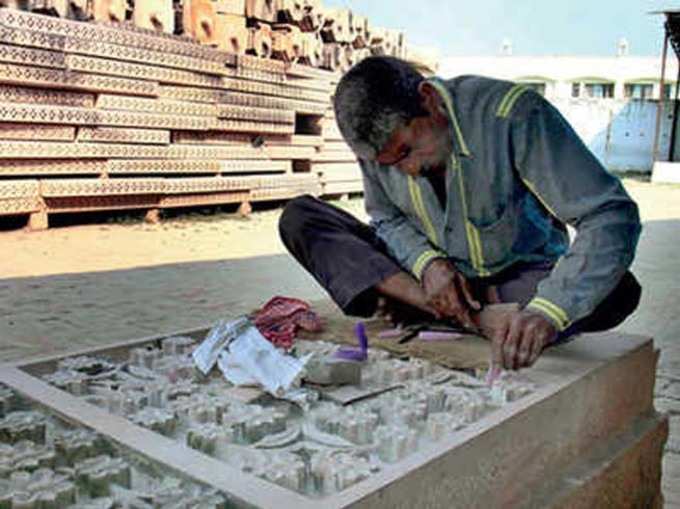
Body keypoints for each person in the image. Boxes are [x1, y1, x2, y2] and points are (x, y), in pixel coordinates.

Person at [279, 56, 642, 371]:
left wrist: (548, 311)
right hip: (425, 284)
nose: (406, 171)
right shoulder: (378, 150)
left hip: (512, 281)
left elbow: (609, 215)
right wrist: (428, 265)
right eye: (387, 164)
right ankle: (470, 318)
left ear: (429, 100)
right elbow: (386, 218)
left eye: (406, 152)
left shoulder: (513, 115)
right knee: (301, 218)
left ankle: (455, 315)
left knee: (616, 290)